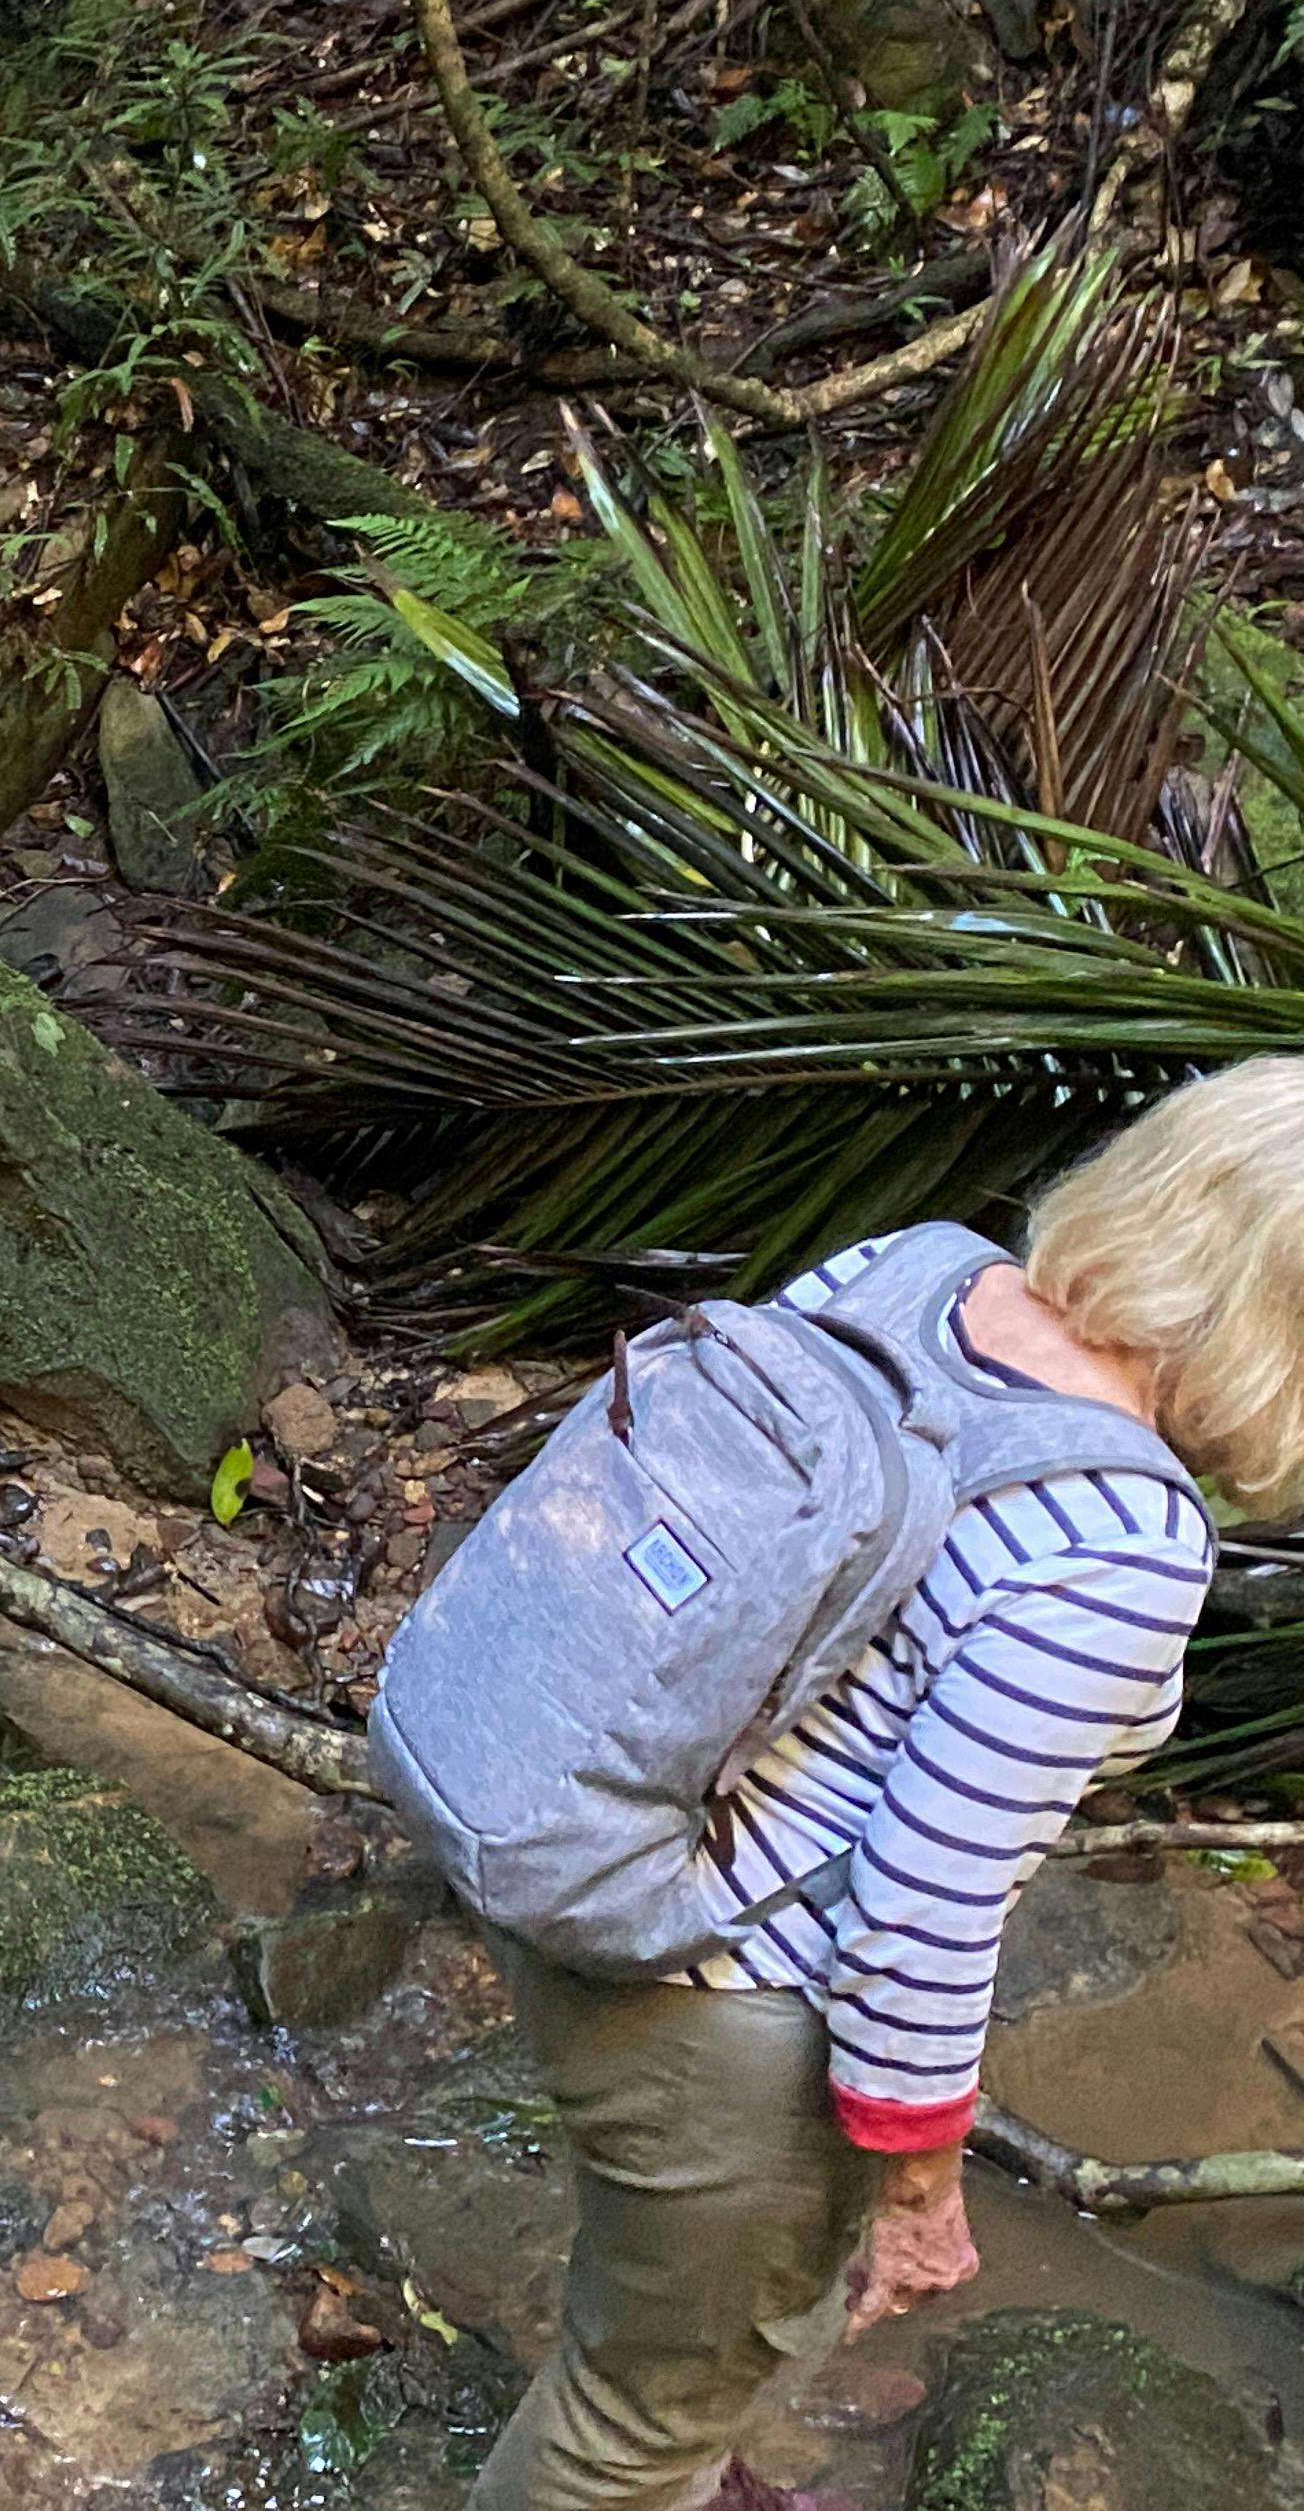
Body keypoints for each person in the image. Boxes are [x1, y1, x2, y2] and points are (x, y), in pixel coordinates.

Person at [461, 1057, 1304, 2511]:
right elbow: (924, 1900)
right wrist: (918, 2194)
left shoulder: (916, 1268)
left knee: (680, 2307)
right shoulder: (1119, 1544)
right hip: (718, 1988)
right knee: (625, 2425)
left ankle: (702, 2433)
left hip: (579, 1824)